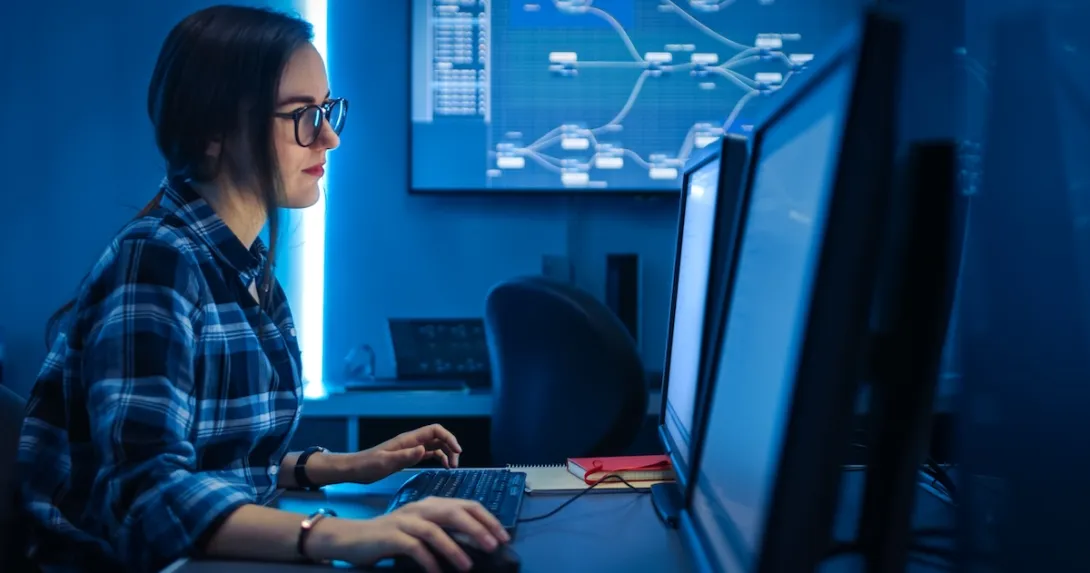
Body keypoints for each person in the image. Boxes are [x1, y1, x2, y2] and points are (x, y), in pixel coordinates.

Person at [16, 5, 508, 573]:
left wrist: (349, 466)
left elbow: (218, 466)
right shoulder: (156, 261)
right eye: (302, 113)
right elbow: (146, 498)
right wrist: (343, 536)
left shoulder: (246, 270)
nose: (328, 138)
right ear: (212, 134)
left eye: (327, 110)